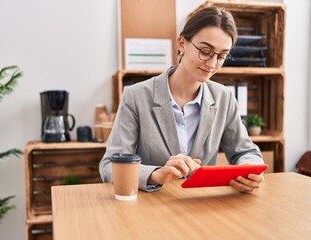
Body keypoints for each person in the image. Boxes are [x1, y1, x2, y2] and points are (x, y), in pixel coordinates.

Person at [99, 6, 264, 193]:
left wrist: (250, 171)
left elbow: (246, 152)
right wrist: (157, 174)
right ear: (182, 43)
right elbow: (109, 166)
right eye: (205, 50)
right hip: (151, 205)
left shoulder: (224, 98)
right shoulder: (136, 96)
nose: (212, 63)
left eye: (221, 56)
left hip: (201, 204)